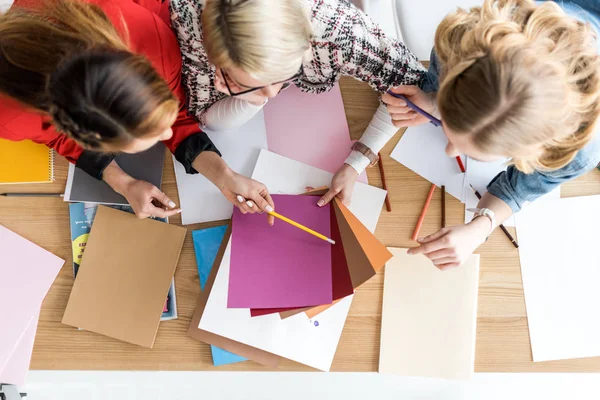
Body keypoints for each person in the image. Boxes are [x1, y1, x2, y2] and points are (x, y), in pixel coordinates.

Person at [0, 0, 274, 221]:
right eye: (152, 136)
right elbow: (58, 138)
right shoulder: (10, 119)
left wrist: (224, 177)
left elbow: (176, 118)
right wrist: (123, 183)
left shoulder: (151, 38)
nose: (168, 133)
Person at [383, 0, 600, 269]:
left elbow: (517, 190)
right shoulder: (460, 47)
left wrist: (480, 226)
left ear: (534, 153)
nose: (450, 151)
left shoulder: (578, 153)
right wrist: (433, 103)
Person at [169, 0, 428, 206]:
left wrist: (358, 161)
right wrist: (237, 92)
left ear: (305, 44)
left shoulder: (340, 33)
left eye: (280, 76)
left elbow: (413, 86)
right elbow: (197, 114)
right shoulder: (189, 24)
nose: (271, 94)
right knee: (219, 122)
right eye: (251, 83)